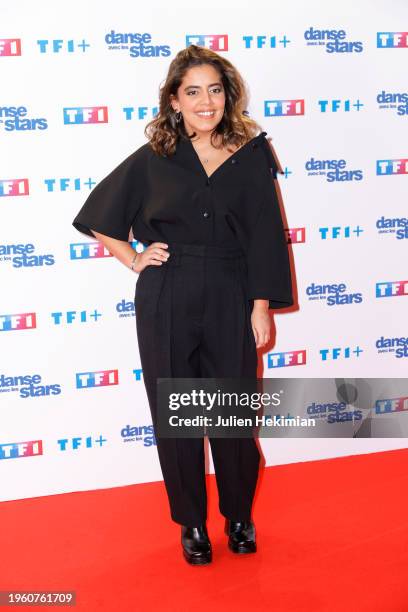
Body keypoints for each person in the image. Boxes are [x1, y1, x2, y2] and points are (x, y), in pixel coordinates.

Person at [72, 44, 293, 566]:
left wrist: (260, 305)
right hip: (167, 291)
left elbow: (265, 235)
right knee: (179, 415)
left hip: (231, 288)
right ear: (175, 100)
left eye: (215, 90)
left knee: (233, 415)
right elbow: (100, 217)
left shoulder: (251, 152)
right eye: (193, 91)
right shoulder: (156, 158)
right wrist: (132, 258)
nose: (206, 100)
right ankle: (191, 522)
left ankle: (238, 515)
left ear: (228, 96)